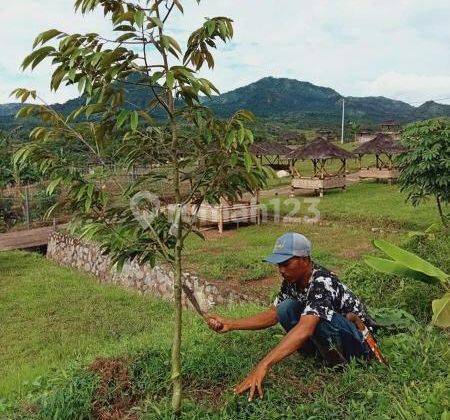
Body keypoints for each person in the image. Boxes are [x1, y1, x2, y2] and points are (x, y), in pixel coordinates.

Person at [206, 232, 377, 401]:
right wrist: (231, 324)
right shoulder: (292, 282)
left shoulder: (322, 281)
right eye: (279, 265)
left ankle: (341, 365)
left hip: (358, 342)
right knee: (285, 308)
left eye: (286, 264)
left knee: (313, 319)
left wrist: (263, 365)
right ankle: (318, 356)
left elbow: (305, 327)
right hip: (333, 333)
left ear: (304, 259)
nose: (281, 270)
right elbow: (274, 314)